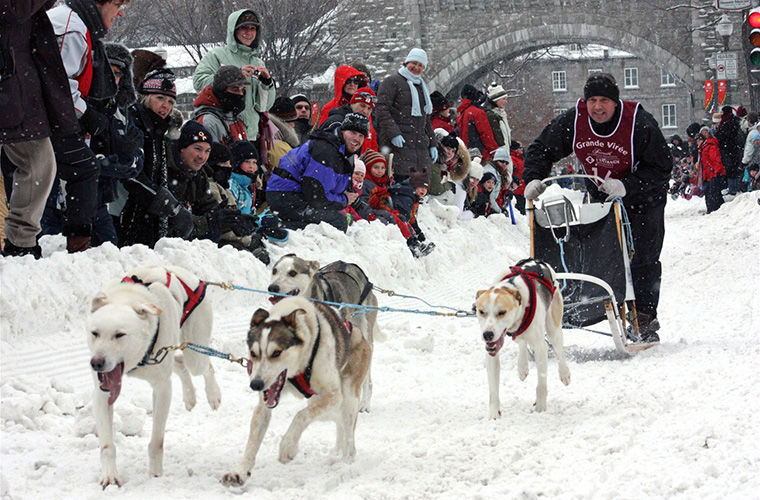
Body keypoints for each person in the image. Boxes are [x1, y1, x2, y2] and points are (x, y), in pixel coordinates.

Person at [523, 72, 672, 343]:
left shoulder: (638, 121)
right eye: (592, 99)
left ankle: (645, 319)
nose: (597, 107)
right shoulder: (575, 120)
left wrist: (627, 185)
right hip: (602, 196)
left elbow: (662, 167)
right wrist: (533, 177)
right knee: (605, 254)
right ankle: (605, 305)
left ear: (615, 102)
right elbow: (541, 148)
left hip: (643, 198)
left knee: (643, 257)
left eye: (604, 100)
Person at [46, 0, 130, 252]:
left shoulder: (77, 24)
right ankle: (70, 246)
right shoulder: (72, 28)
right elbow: (58, 85)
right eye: (117, 3)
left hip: (50, 120)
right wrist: (87, 114)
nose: (121, 12)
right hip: (42, 121)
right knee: (81, 170)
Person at [0, 0, 82, 257]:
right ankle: (21, 241)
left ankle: (21, 242)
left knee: (40, 163)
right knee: (38, 164)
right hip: (13, 83)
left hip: (17, 85)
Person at [119, 68, 192, 247]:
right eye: (159, 98)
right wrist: (168, 205)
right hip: (123, 210)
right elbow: (130, 174)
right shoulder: (133, 122)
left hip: (146, 213)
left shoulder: (160, 128)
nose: (165, 106)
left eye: (170, 101)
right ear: (145, 97)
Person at [266, 113, 368, 232]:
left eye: (361, 135)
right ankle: (277, 228)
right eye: (353, 133)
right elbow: (316, 196)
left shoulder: (342, 152)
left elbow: (335, 187)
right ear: (342, 131)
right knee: (337, 223)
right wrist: (343, 200)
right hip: (286, 195)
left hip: (294, 195)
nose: (357, 139)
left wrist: (350, 200)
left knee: (338, 219)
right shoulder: (326, 151)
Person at [193, 9, 275, 141]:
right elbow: (198, 82)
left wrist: (267, 84)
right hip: (224, 131)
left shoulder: (257, 62)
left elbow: (263, 106)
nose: (248, 33)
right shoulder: (216, 55)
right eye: (243, 28)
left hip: (251, 135)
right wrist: (233, 76)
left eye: (252, 28)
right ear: (233, 31)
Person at [375, 48, 437, 185]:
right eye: (414, 63)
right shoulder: (392, 82)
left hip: (419, 151)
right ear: (406, 62)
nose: (416, 67)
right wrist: (394, 133)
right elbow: (381, 109)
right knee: (400, 190)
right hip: (398, 148)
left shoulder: (422, 88)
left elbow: (426, 121)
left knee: (416, 195)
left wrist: (433, 144)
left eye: (421, 65)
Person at [193, 65, 250, 146]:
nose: (240, 94)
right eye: (235, 89)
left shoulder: (235, 115)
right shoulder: (209, 122)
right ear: (221, 90)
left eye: (243, 89)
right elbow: (209, 156)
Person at [321, 87, 379, 152]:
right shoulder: (336, 122)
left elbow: (372, 150)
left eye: (369, 109)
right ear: (352, 103)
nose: (365, 111)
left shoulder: (367, 127)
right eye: (362, 106)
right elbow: (322, 151)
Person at [457, 84, 499, 163]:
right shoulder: (477, 113)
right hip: (481, 155)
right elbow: (486, 135)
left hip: (467, 156)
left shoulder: (462, 113)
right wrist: (495, 153)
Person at [714, 105, 745, 196]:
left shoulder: (727, 123)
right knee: (734, 169)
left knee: (730, 169)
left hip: (729, 149)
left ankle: (733, 189)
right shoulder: (735, 121)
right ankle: (734, 187)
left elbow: (722, 136)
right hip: (734, 149)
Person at [696, 127, 727, 214]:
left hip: (712, 173)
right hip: (708, 174)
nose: (704, 134)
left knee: (713, 193)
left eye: (706, 132)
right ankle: (713, 209)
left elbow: (716, 160)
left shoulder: (710, 146)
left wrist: (716, 172)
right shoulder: (704, 147)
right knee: (710, 193)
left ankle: (714, 210)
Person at [484, 82, 513, 154]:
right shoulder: (491, 116)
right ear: (496, 100)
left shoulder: (501, 114)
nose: (506, 102)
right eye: (503, 99)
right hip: (500, 155)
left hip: (504, 153)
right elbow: (498, 139)